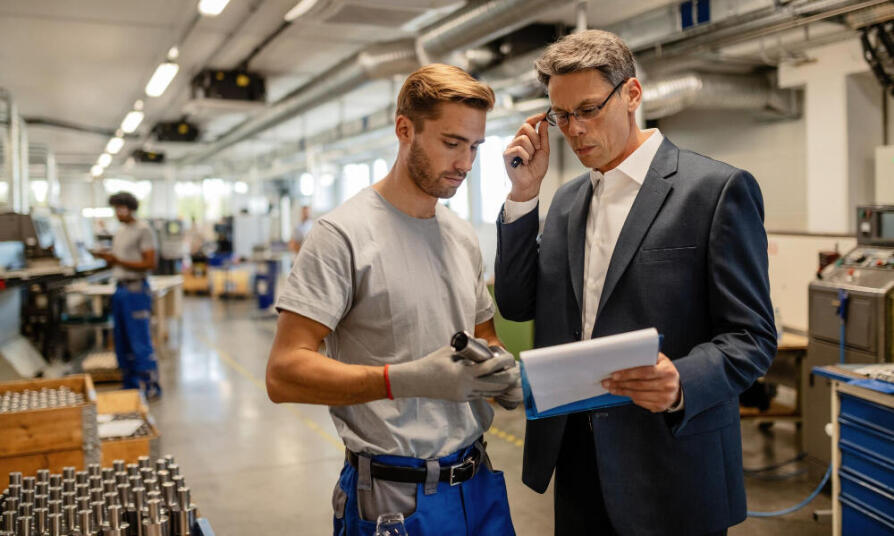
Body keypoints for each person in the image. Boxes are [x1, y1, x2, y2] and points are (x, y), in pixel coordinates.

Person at [495, 30, 776, 535]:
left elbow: (752, 338)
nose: (575, 130)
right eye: (561, 117)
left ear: (632, 94)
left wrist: (681, 382)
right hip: (578, 459)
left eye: (588, 109)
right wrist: (523, 195)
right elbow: (516, 305)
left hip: (671, 461)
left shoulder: (714, 191)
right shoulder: (564, 202)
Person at [266, 64, 521, 536]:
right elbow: (284, 374)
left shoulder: (462, 237)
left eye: (475, 147)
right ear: (405, 129)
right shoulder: (341, 236)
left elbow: (485, 337)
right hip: (394, 499)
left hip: (478, 483)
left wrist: (501, 373)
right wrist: (404, 380)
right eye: (451, 143)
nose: (465, 163)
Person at [93, 192, 162, 399]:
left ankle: (151, 386)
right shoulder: (121, 230)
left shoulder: (143, 230)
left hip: (136, 290)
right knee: (122, 342)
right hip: (120, 289)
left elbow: (150, 263)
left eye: (119, 208)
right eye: (114, 208)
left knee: (139, 341)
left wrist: (118, 261)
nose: (117, 213)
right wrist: (108, 259)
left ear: (130, 208)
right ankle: (130, 387)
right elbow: (120, 259)